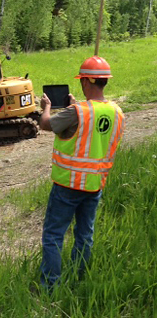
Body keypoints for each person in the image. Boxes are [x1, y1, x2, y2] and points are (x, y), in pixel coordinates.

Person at [38, 56, 125, 291]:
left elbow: (46, 124)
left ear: (86, 80)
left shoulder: (78, 111)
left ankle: (50, 287)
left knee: (54, 235)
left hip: (68, 185)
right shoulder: (117, 112)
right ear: (105, 81)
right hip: (95, 185)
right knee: (85, 235)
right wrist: (74, 107)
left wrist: (46, 107)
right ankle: (79, 278)